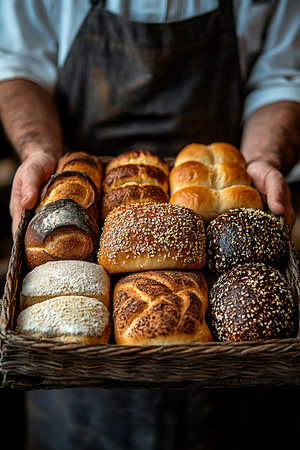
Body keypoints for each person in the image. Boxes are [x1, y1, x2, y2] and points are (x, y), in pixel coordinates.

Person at [0, 1, 300, 449]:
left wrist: (263, 160)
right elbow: (18, 64)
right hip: (75, 367)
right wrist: (39, 152)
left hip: (232, 361)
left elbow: (282, 78)